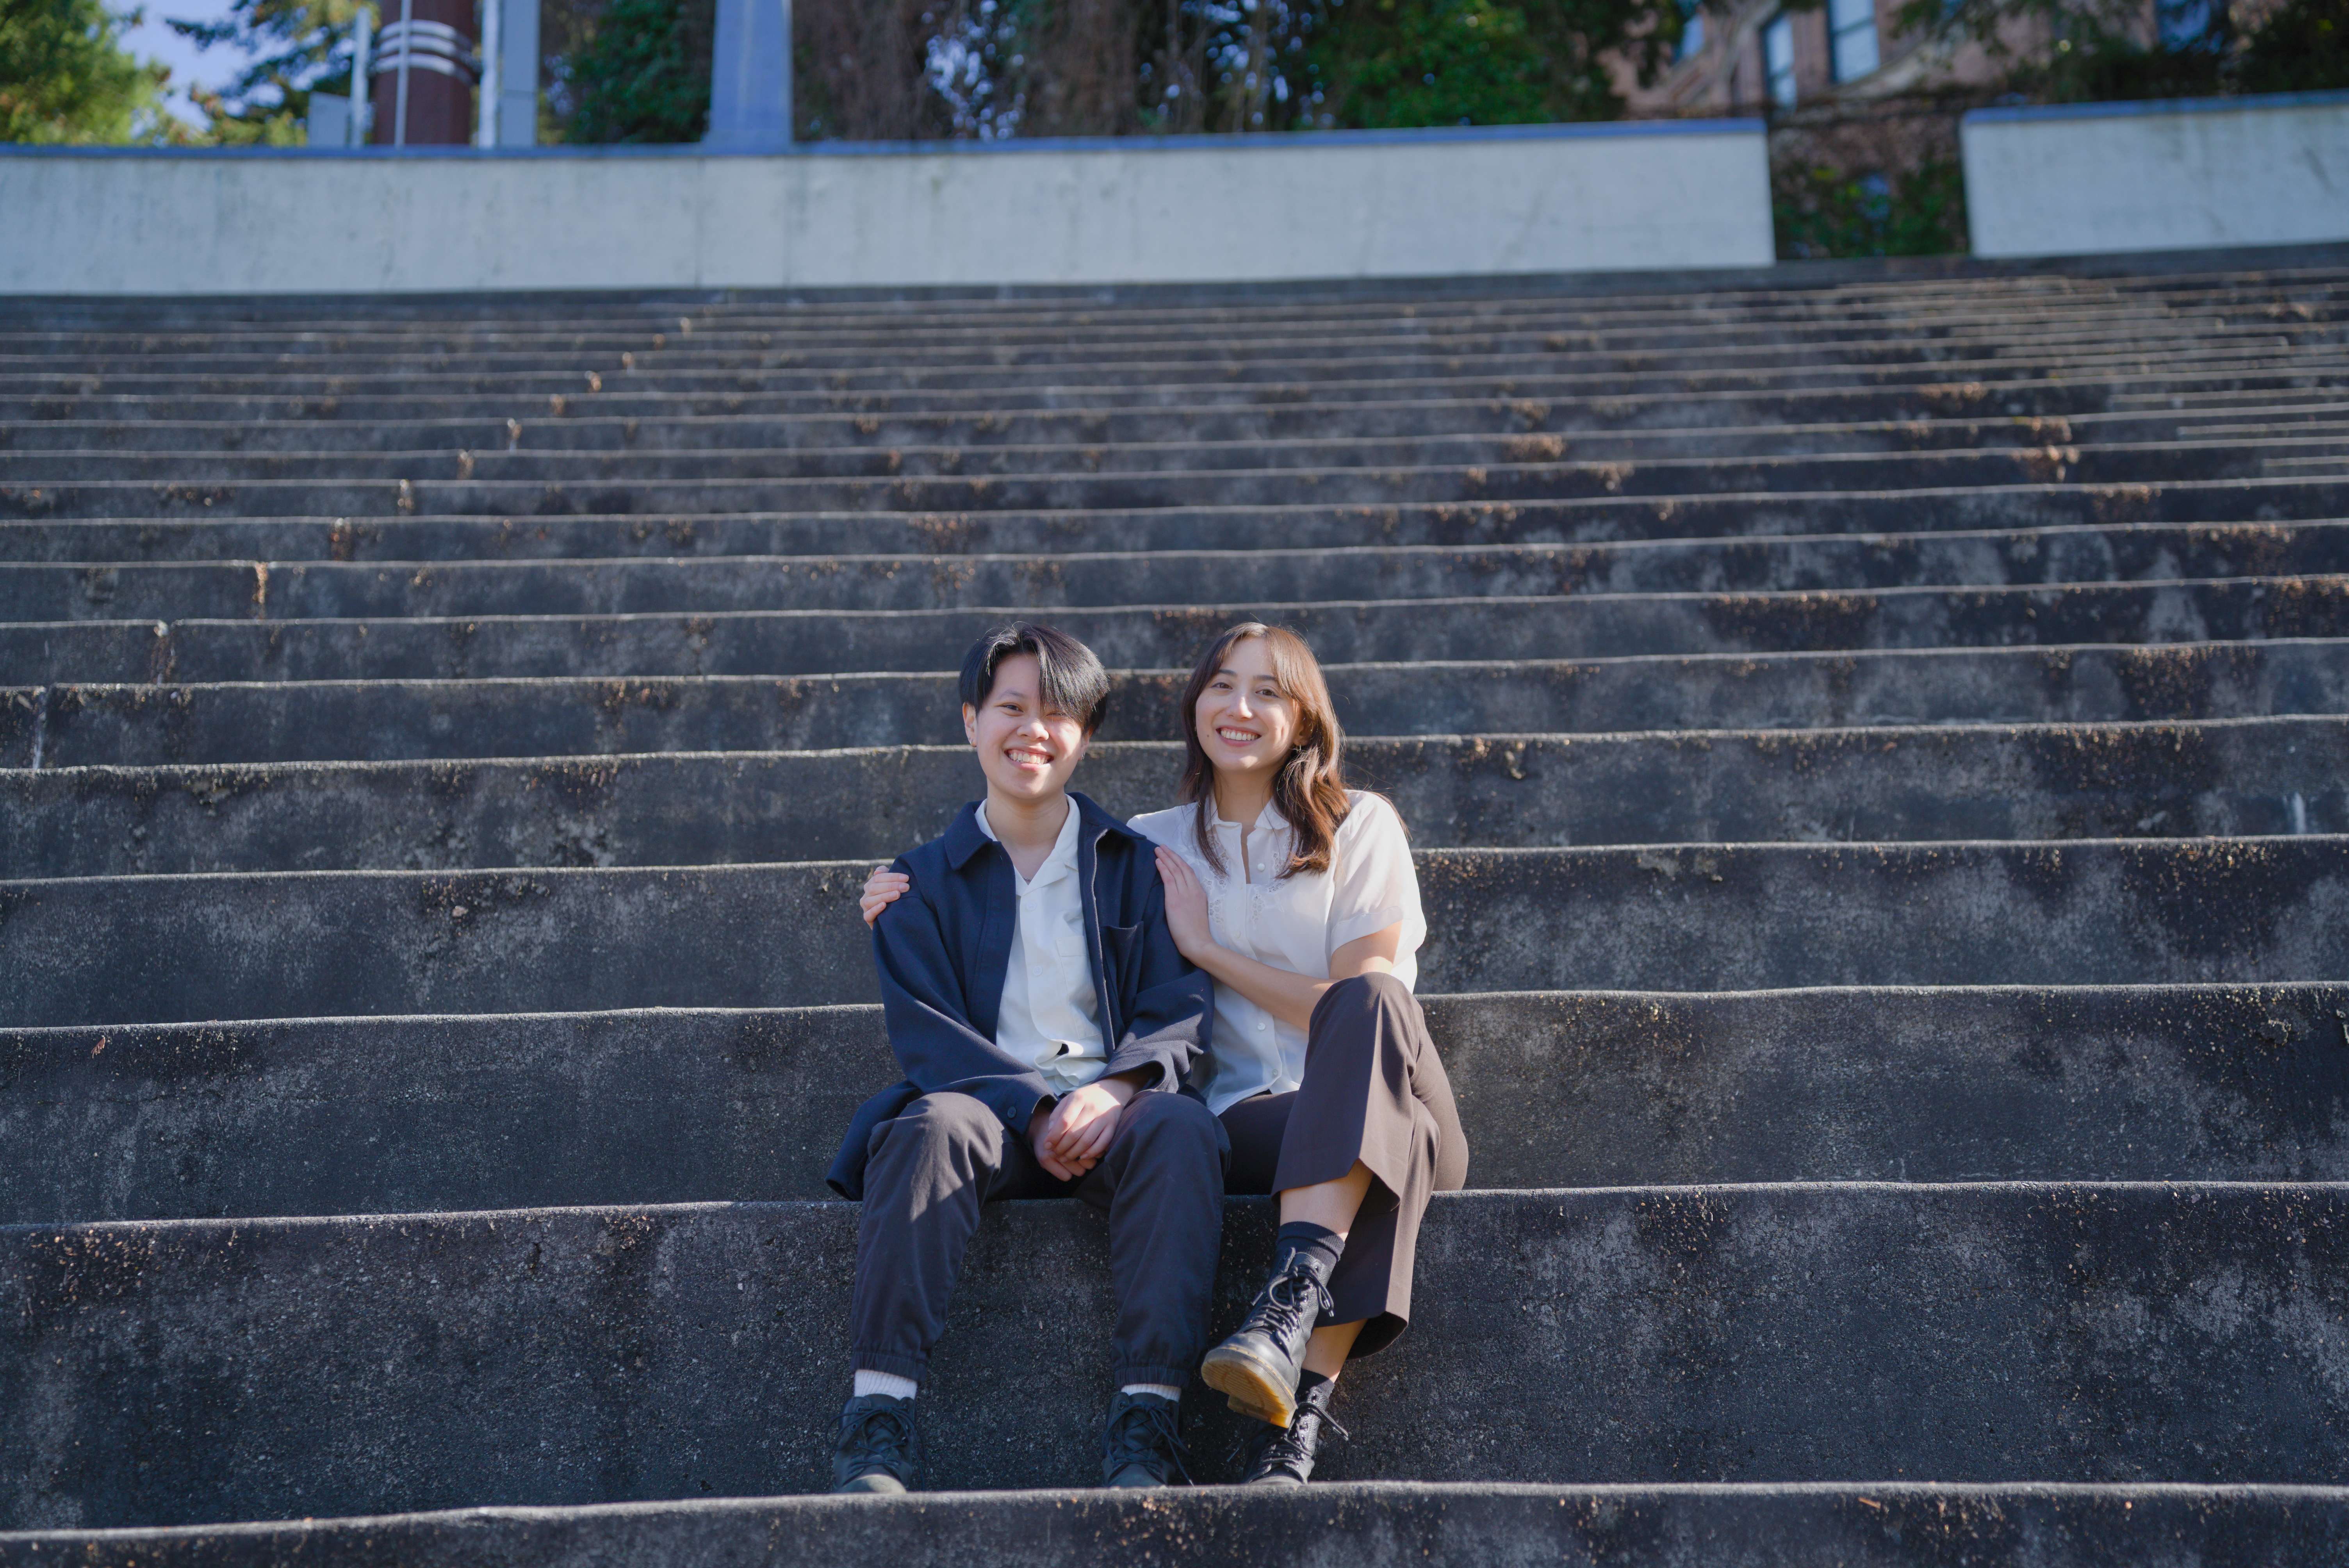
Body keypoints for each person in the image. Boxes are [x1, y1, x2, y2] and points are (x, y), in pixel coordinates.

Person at [861, 621, 1468, 1486]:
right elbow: (1007, 870)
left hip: (1383, 1091)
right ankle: (1285, 1424)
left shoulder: (1357, 824)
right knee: (1191, 1129)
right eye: (1222, 684)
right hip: (1249, 1119)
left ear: (1305, 717)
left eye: (1268, 691)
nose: (1240, 706)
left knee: (1377, 1044)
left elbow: (1355, 1004)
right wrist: (893, 888)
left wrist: (1207, 952)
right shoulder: (1151, 844)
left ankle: (1289, 1322)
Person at [827, 621, 1221, 1495]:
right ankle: (878, 1416)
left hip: (1114, 1116)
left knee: (1182, 1128)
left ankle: (1147, 1417)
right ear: (971, 721)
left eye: (1057, 713)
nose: (1032, 730)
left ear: (1085, 735)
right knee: (928, 1126)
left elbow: (1178, 1009)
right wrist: (1034, 1111)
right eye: (1010, 707)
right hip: (988, 1119)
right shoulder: (916, 884)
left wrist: (1116, 1090)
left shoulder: (1137, 868)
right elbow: (928, 1032)